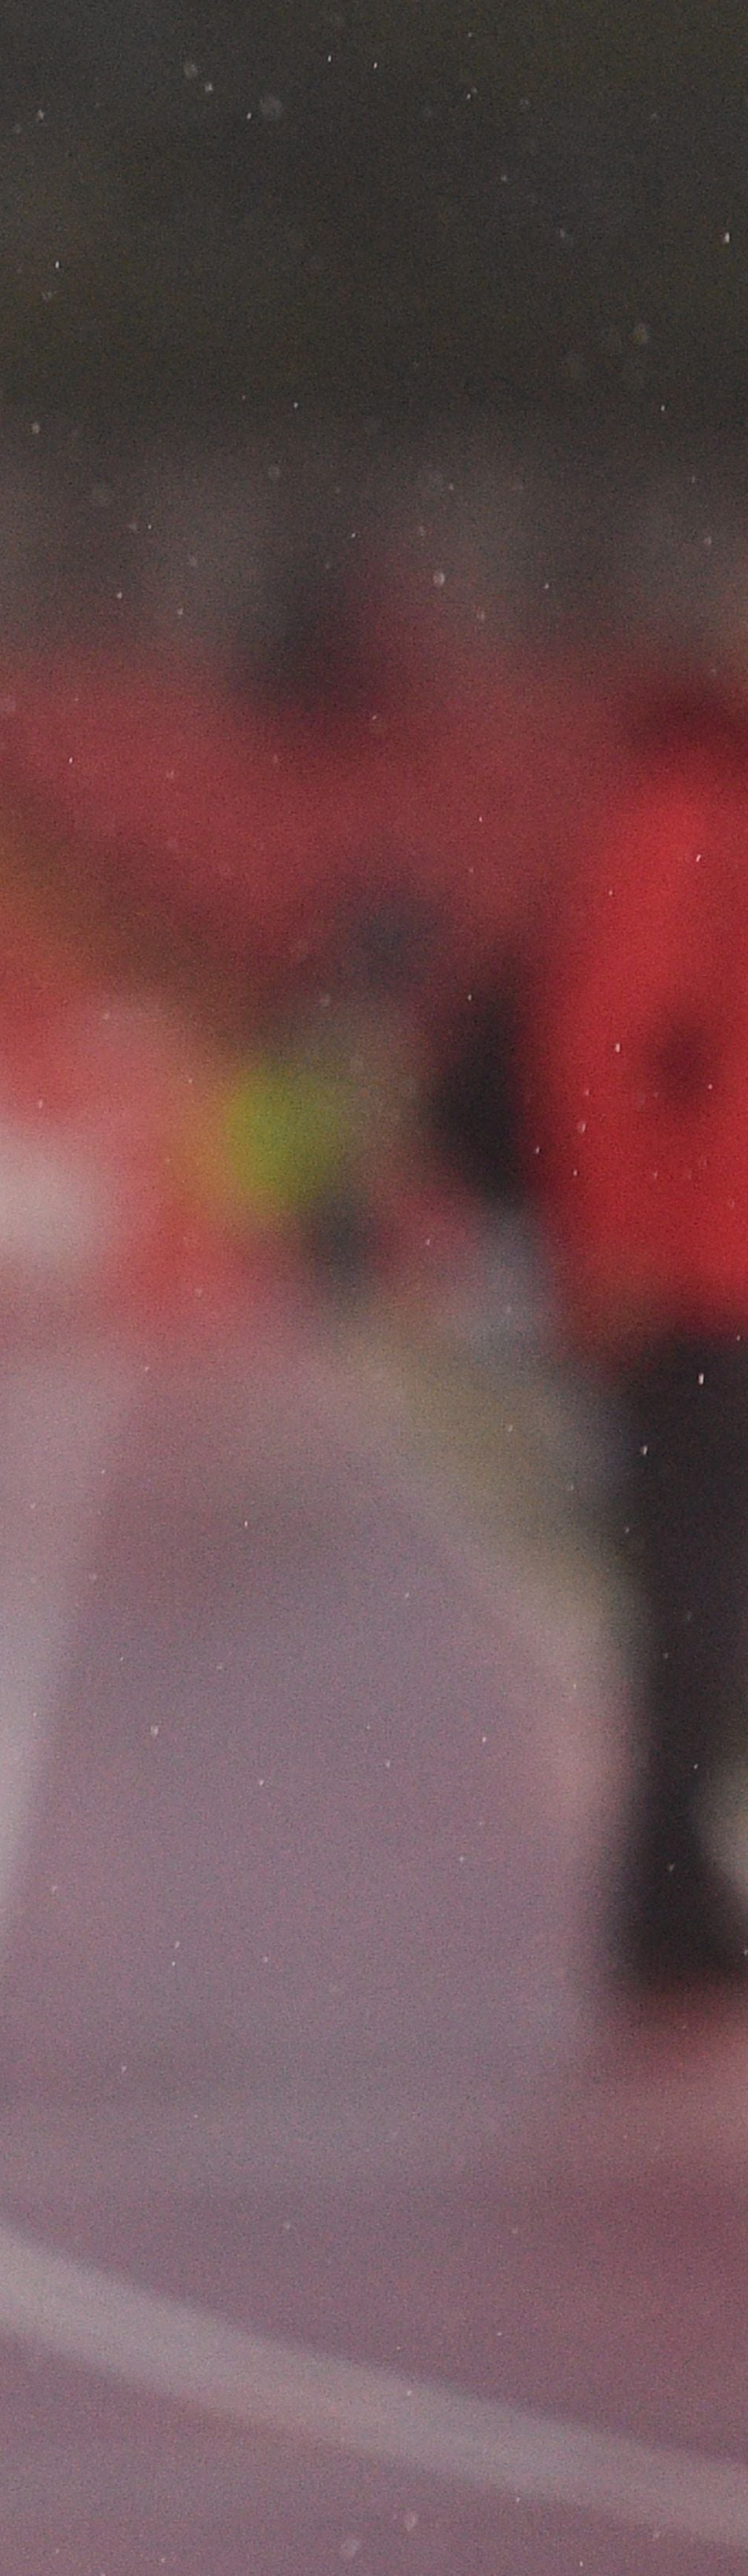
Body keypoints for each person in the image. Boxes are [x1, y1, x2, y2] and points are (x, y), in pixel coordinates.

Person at [533, 679, 748, 1994]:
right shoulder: (693, 821)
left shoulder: (691, 816)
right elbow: (613, 1039)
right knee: (699, 1600)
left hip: (698, 1271)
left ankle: (671, 1890)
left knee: (699, 1599)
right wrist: (613, 1241)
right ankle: (664, 1899)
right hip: (697, 1285)